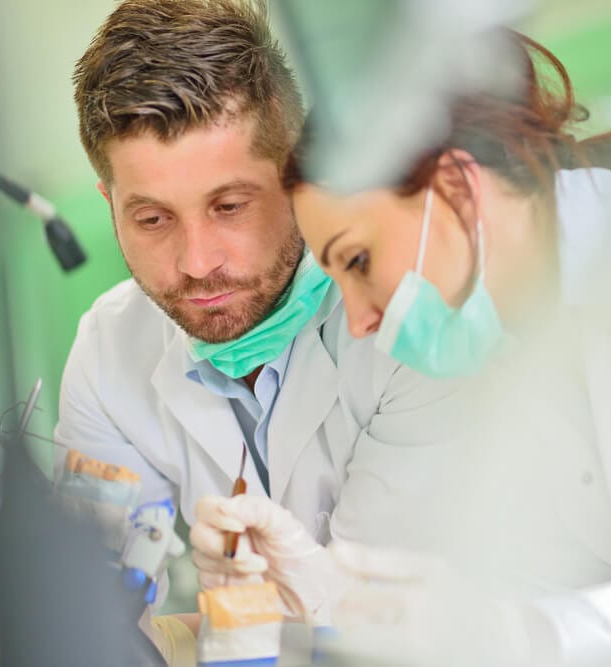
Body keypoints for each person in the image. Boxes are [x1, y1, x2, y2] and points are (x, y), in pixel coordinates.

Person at [191, 30, 611, 664]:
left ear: (456, 188)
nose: (358, 322)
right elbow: (516, 598)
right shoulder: (503, 358)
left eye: (358, 259)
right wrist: (320, 592)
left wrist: (529, 635)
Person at [58, 0, 462, 634]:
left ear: (299, 175)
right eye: (152, 219)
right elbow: (90, 605)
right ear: (110, 202)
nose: (195, 263)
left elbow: (394, 619)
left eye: (229, 206)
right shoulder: (109, 350)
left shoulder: (404, 324)